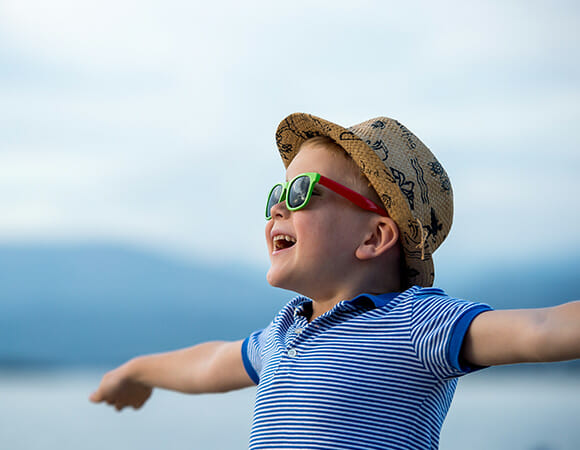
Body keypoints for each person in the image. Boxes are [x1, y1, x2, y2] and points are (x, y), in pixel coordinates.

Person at [90, 113, 580, 449]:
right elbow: (209, 363)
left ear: (374, 236)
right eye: (276, 193)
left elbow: (542, 329)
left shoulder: (417, 323)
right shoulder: (284, 334)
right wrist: (135, 370)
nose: (279, 206)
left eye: (302, 192)